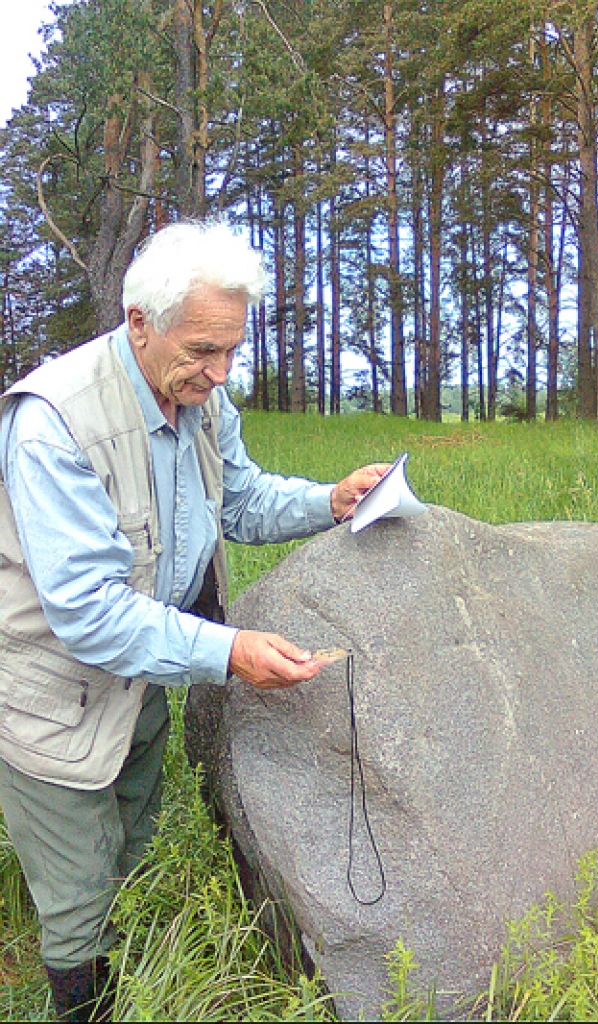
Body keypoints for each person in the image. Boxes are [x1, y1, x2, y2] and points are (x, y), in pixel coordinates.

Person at [0, 219, 389, 1022]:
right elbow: (88, 611)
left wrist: (329, 500)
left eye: (231, 351)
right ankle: (83, 1005)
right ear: (139, 321)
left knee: (131, 852)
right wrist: (231, 649)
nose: (218, 373)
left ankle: (135, 972)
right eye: (202, 350)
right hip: (51, 698)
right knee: (77, 904)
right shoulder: (55, 424)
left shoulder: (205, 403)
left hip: (142, 676)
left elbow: (238, 500)